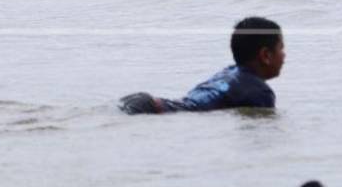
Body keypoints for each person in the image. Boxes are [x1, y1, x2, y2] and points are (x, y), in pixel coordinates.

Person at [119, 17, 283, 114]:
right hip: (152, 110)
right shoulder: (260, 92)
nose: (284, 55)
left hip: (144, 102)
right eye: (281, 48)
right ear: (266, 55)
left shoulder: (229, 72)